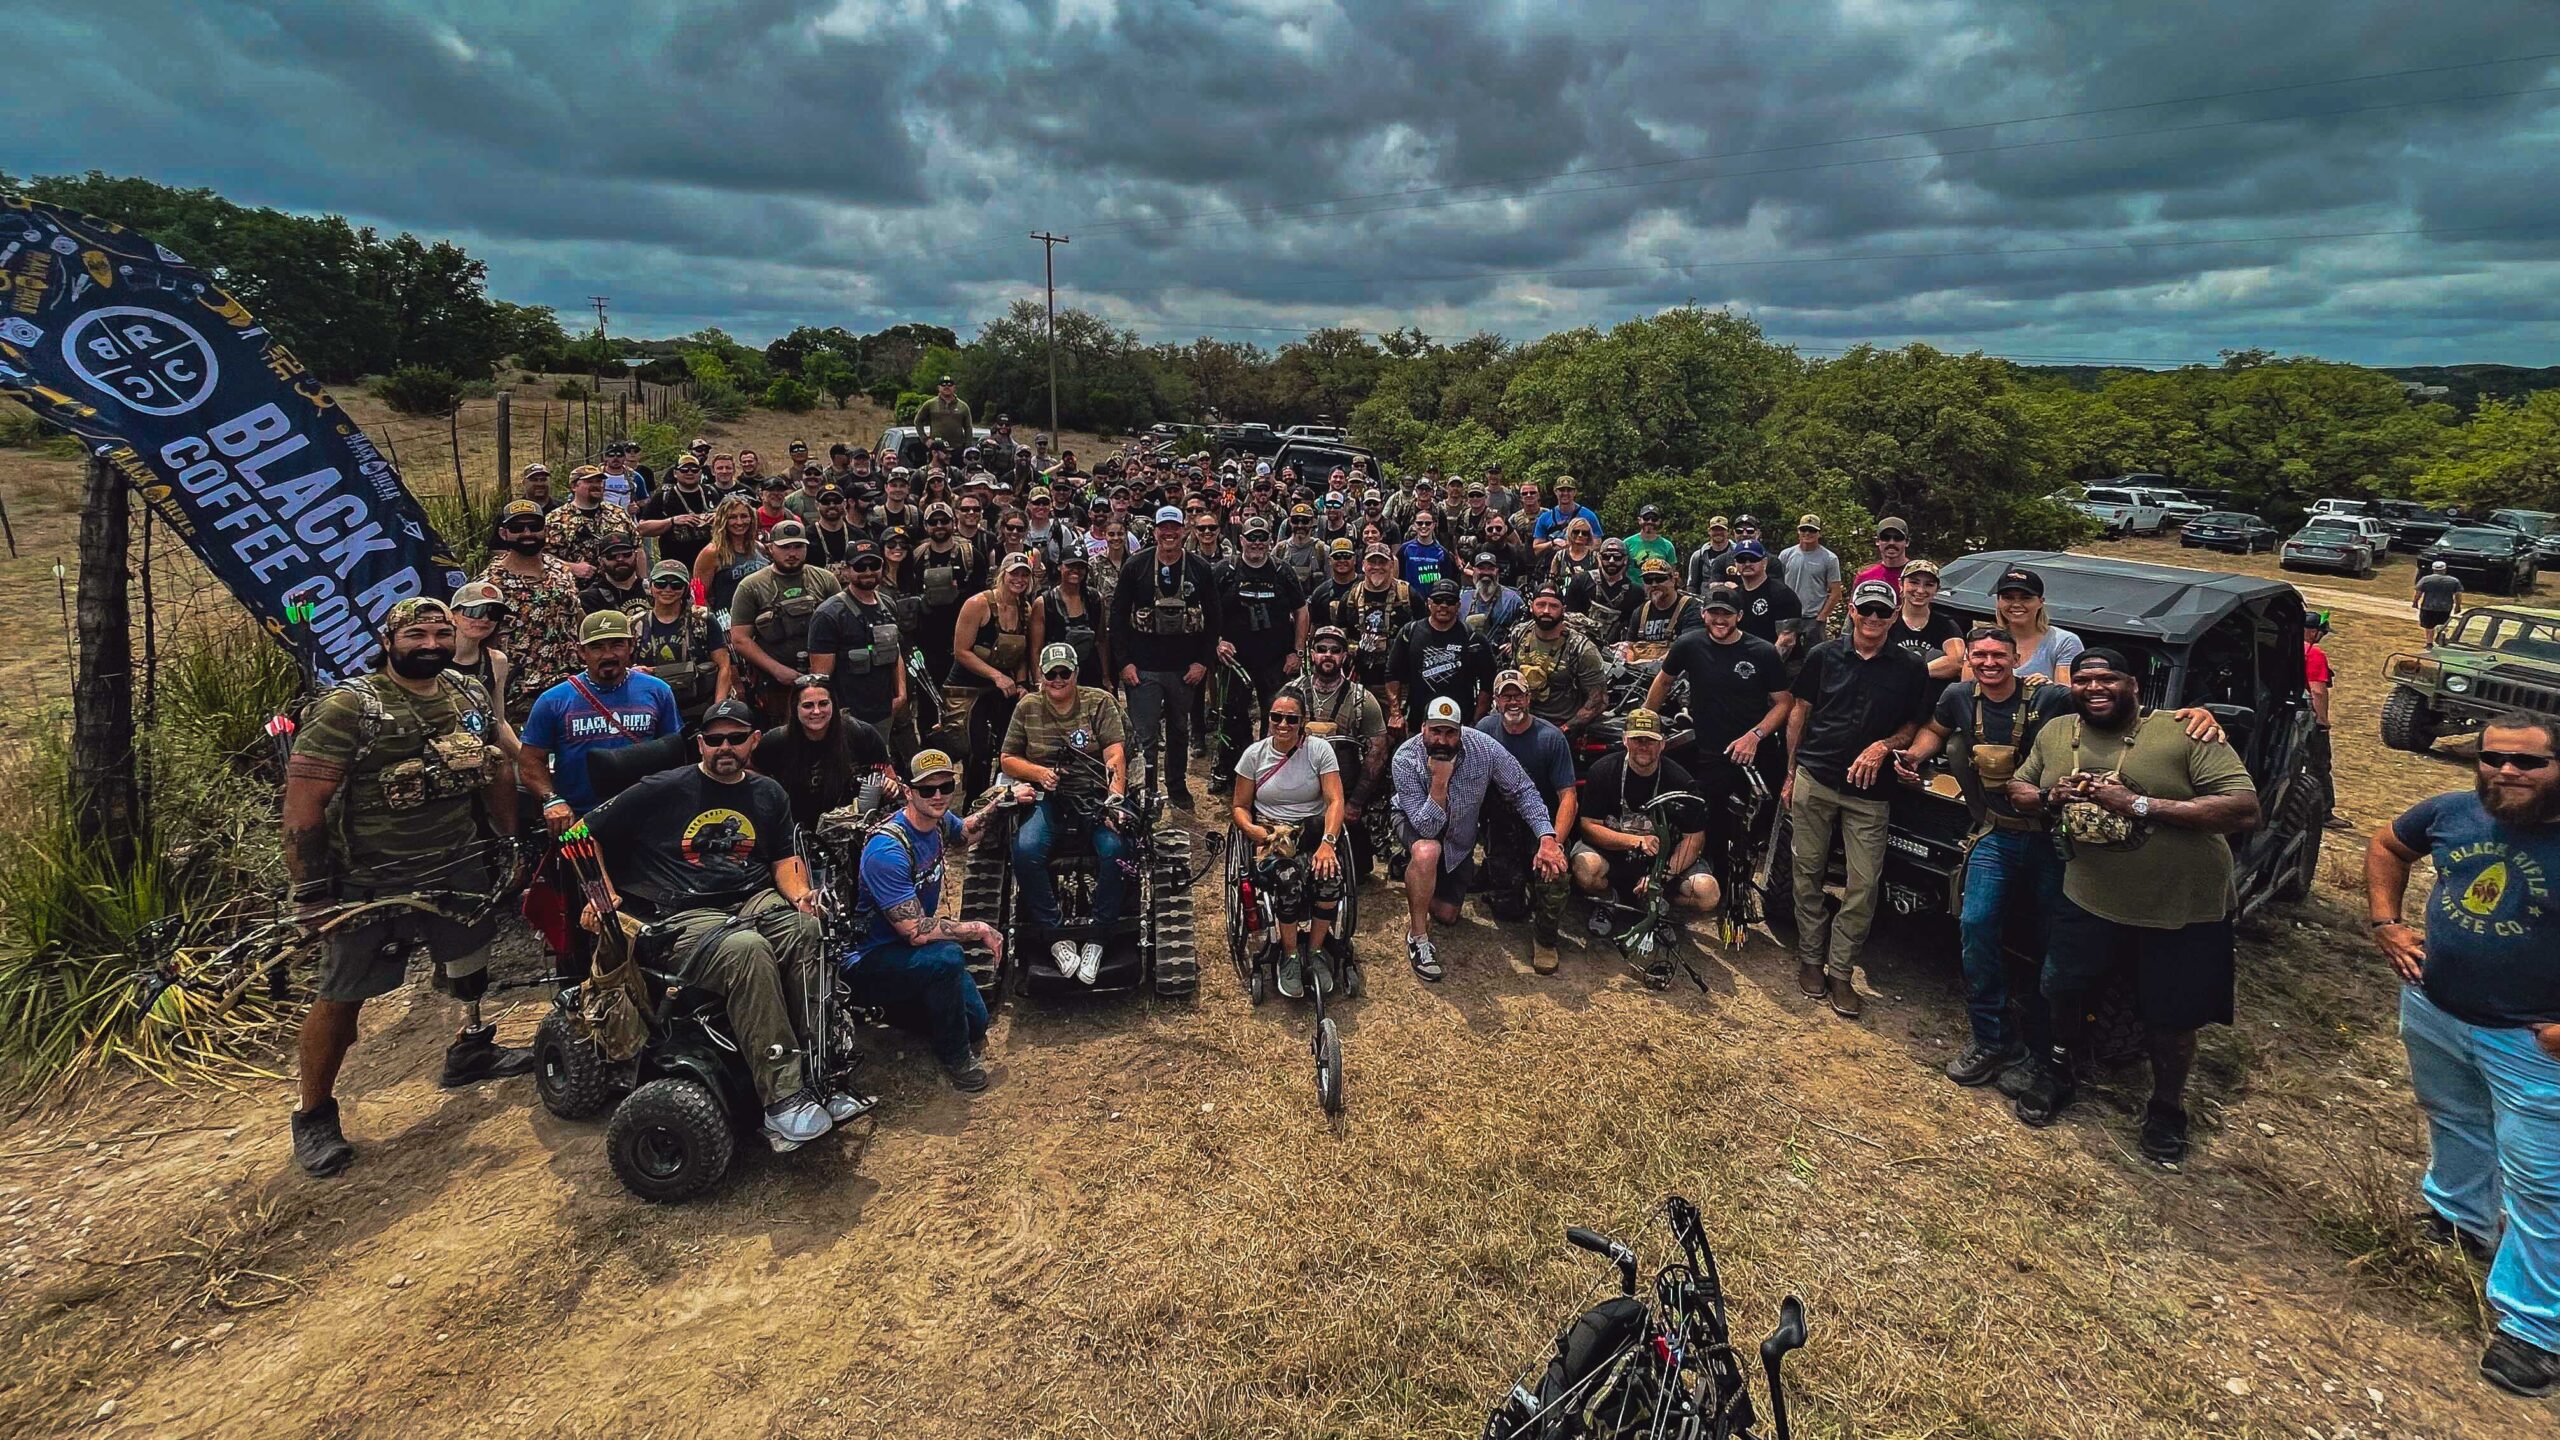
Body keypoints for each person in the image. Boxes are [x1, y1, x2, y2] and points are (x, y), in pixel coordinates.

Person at [283, 599, 525, 1178]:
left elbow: (493, 769)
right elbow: (302, 805)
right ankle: (314, 1113)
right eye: (416, 633)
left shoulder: (465, 695)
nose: (431, 643)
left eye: (443, 632)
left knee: (470, 966)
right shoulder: (350, 706)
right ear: (389, 640)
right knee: (343, 995)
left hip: (456, 864)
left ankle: (471, 1049)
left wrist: (507, 842)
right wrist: (311, 892)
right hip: (371, 879)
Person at [2367, 713, 2560, 1398]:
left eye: (2528, 763)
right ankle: (2459, 1219)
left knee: (2543, 1181)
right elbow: (2388, 845)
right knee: (2452, 1117)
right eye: (2494, 758)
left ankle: (2535, 1329)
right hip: (2437, 1008)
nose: (2507, 771)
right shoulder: (2450, 813)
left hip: (2533, 1043)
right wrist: (2388, 924)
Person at [2005, 648, 2261, 1161]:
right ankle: (2059, 1071)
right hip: (2087, 895)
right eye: (2083, 680)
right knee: (2063, 990)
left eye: (2108, 679)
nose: (2095, 688)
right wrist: (2048, 797)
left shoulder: (2184, 731)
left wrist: (2140, 804)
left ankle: (2167, 1107)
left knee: (2171, 1017)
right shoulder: (2059, 733)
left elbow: (2243, 807)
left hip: (2179, 907)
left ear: (2135, 685)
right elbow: (2019, 785)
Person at [578, 699, 857, 1149]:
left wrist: (801, 895)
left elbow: (785, 860)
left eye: (735, 738)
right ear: (700, 744)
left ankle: (823, 1075)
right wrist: (600, 894)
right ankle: (782, 1098)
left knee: (808, 932)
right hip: (682, 911)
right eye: (713, 739)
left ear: (753, 741)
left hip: (753, 897)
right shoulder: (661, 788)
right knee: (747, 949)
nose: (724, 747)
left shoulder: (769, 794)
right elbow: (581, 833)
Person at [1784, 578, 1931, 1019]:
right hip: (1817, 776)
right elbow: (1799, 713)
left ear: (1894, 614)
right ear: (1850, 609)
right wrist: (1791, 773)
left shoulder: (1910, 666)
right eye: (1865, 609)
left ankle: (1842, 970)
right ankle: (1811, 957)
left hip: (1871, 792)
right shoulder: (1823, 655)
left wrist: (1884, 746)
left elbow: (1912, 726)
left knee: (1863, 884)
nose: (1872, 618)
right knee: (1806, 870)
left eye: (1882, 612)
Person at [848, 748, 1007, 1092]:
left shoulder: (936, 822)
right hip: (872, 958)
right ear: (908, 792)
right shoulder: (886, 851)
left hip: (906, 953)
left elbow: (965, 833)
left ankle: (896, 1009)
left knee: (976, 1023)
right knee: (947, 957)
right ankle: (956, 1058)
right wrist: (977, 929)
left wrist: (1005, 799)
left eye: (945, 787)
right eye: (926, 790)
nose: (937, 796)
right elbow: (916, 931)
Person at [1391, 696, 1566, 981]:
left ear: (1462, 731)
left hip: (1460, 840)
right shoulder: (1404, 758)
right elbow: (1426, 827)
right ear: (1422, 728)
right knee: (1426, 851)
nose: (1443, 741)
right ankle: (1418, 937)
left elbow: (1522, 789)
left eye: (1451, 733)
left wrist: (1547, 836)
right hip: (1418, 824)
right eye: (1436, 731)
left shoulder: (1484, 748)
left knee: (1448, 915)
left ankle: (1419, 883)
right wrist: (1439, 782)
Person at [997, 644, 1131, 984]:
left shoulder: (1099, 702)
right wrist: (1038, 773)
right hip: (1046, 797)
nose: (1057, 680)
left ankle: (1099, 937)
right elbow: (1007, 757)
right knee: (1025, 851)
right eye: (1050, 674)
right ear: (1042, 676)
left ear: (1075, 674)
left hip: (1092, 794)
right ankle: (1056, 937)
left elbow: (1115, 754)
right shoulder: (1028, 706)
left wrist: (1115, 798)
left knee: (1115, 850)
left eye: (1063, 673)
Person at [1647, 585, 1791, 888]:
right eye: (1713, 613)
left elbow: (1784, 703)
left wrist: (1755, 736)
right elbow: (1663, 681)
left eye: (1726, 614)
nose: (1719, 620)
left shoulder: (1763, 652)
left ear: (1739, 616)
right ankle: (1712, 878)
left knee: (1755, 827)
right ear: (1703, 614)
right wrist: (1645, 721)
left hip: (1755, 753)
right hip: (1710, 750)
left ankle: (1748, 880)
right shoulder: (1689, 645)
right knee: (1710, 818)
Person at [1232, 688, 1348, 999]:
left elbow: (1335, 800)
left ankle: (1315, 950)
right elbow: (1240, 806)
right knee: (1288, 880)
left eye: (1291, 719)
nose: (1283, 724)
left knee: (1329, 879)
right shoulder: (1253, 755)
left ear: (1303, 722)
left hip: (1311, 831)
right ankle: (1290, 955)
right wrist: (1251, 829)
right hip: (1272, 837)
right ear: (1268, 719)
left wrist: (1328, 842)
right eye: (1276, 717)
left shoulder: (1320, 750)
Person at [1572, 708, 1719, 943]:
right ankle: (1610, 899)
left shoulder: (1681, 780)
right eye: (1637, 739)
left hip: (1662, 862)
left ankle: (1656, 903)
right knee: (1584, 869)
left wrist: (1662, 876)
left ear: (1662, 744)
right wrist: (1635, 840)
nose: (1643, 746)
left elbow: (1694, 838)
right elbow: (1588, 826)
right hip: (1614, 856)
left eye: (1651, 740)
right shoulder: (1603, 771)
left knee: (1707, 894)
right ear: (1625, 740)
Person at [1112, 505, 1223, 807]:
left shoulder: (1199, 568)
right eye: (1164, 528)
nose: (1169, 533)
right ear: (1156, 531)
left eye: (1175, 527)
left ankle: (1176, 786)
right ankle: (1146, 791)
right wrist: (1124, 663)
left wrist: (1203, 662)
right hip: (1144, 667)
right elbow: (1118, 618)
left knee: (1178, 731)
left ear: (1184, 530)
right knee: (1145, 736)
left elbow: (1214, 619)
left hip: (1184, 670)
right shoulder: (1136, 566)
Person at [1476, 669, 1577, 973]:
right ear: (1495, 700)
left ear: (1529, 698)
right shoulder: (1484, 729)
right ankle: (1507, 883)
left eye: (1518, 694)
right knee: (1509, 909)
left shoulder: (1551, 738)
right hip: (1501, 825)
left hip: (1541, 824)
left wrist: (1554, 843)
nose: (1512, 702)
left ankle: (1546, 941)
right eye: (1505, 695)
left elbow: (1568, 797)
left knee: (1553, 871)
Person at [1283, 626, 1392, 881]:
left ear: (1345, 656)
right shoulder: (1291, 694)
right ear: (1311, 654)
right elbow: (1270, 744)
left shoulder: (1362, 700)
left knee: (1358, 872)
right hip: (1297, 791)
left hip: (1342, 792)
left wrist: (1355, 804)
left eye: (1335, 650)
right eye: (1321, 649)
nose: (1327, 655)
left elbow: (1378, 753)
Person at [1211, 519, 1309, 788]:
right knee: (1232, 717)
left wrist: (1297, 652)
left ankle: (1275, 772)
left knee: (1278, 717)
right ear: (1241, 539)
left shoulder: (1283, 571)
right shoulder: (1224, 571)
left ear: (1270, 540)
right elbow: (1207, 612)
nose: (1256, 543)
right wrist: (1217, 642)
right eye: (1251, 537)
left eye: (1262, 537)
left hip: (1276, 660)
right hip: (1235, 661)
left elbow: (1301, 611)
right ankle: (1229, 770)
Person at [946, 553, 1043, 801]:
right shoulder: (977, 604)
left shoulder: (1025, 609)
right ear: (1002, 574)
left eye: (1024, 575)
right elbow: (961, 651)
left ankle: (1003, 799)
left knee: (1008, 749)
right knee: (978, 752)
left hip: (1002, 691)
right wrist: (997, 676)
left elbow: (1021, 651)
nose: (1019, 580)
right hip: (968, 689)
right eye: (1014, 574)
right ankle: (973, 804)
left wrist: (1021, 683)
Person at [480, 499, 587, 721]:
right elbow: (480, 639)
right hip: (521, 695)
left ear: (545, 530)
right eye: (518, 528)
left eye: (534, 527)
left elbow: (577, 615)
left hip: (572, 684)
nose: (527, 533)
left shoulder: (561, 571)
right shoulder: (489, 584)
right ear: (504, 533)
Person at [729, 520, 843, 724]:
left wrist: (822, 674)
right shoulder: (751, 586)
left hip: (824, 680)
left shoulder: (825, 580)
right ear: (771, 548)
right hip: (774, 684)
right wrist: (778, 671)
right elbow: (739, 639)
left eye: (798, 546)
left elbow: (842, 628)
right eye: (785, 547)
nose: (792, 553)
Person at [757, 677, 897, 832]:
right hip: (797, 831)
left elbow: (891, 778)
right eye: (808, 705)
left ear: (833, 704)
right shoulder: (776, 741)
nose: (816, 711)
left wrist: (889, 787)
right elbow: (752, 773)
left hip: (853, 829)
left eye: (823, 703)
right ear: (795, 708)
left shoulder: (861, 733)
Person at [806, 540, 907, 735]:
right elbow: (820, 678)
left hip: (884, 711)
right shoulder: (829, 614)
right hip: (846, 716)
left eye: (874, 565)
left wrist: (901, 693)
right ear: (846, 570)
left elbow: (896, 652)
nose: (868, 571)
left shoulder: (887, 604)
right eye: (860, 566)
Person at [1387, 579, 1497, 735]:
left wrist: (1476, 722)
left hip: (1461, 726)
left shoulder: (1473, 638)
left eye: (1450, 601)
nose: (1443, 605)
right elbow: (1392, 673)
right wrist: (1396, 714)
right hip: (1418, 724)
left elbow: (1488, 682)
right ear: (1429, 603)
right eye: (1438, 600)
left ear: (1458, 605)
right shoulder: (1409, 632)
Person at [629, 559, 730, 725]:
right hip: (652, 709)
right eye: (661, 584)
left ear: (685, 589)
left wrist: (717, 709)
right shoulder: (635, 624)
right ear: (651, 587)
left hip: (700, 706)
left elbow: (724, 666)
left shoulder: (703, 619)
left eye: (676, 585)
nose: (667, 589)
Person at [1505, 585, 1609, 743]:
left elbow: (1598, 701)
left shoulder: (1582, 649)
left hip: (1561, 723)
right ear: (1532, 607)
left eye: (1554, 606)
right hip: (1521, 718)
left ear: (1563, 610)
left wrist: (1565, 730)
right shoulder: (1519, 634)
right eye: (1541, 604)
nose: (1546, 611)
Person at [903, 501, 984, 685]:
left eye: (944, 521)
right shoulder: (916, 557)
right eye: (933, 522)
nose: (939, 526)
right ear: (925, 526)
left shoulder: (971, 555)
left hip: (963, 638)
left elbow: (983, 595)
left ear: (953, 522)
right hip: (927, 639)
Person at [1985, 565, 2083, 683]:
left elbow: (2067, 693)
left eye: (2025, 598)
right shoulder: (1983, 640)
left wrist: (2048, 687)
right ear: (1998, 601)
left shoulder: (2064, 641)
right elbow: (1967, 692)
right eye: (2008, 598)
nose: (2016, 604)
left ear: (2041, 602)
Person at [1888, 558, 1966, 703]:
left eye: (1928, 585)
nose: (1920, 590)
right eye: (1914, 582)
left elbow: (1956, 662)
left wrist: (1911, 673)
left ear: (1937, 590)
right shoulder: (1886, 619)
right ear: (1901, 584)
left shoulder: (1946, 624)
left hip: (1930, 702)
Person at [545, 466, 636, 584]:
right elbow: (542, 557)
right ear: (574, 486)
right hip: (577, 589)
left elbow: (637, 547)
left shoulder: (617, 513)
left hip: (619, 588)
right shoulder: (556, 519)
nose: (596, 485)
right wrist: (571, 568)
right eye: (589, 482)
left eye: (599, 481)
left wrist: (641, 582)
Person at [635, 452, 717, 574]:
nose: (689, 473)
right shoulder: (663, 497)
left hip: (710, 564)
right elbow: (641, 529)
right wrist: (672, 521)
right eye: (684, 469)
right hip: (674, 565)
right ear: (675, 473)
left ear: (700, 473)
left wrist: (719, 517)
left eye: (694, 469)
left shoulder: (712, 492)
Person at [2305, 610, 2348, 831]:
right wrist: (2322, 720)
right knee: (2319, 765)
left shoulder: (2283, 645)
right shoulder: (2314, 654)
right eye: (2322, 633)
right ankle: (2324, 813)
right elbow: (2317, 691)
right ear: (2313, 632)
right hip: (2307, 718)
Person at [1614, 557, 1702, 661]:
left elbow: (1690, 646)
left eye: (1660, 579)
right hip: (1640, 672)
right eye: (1648, 580)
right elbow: (1630, 644)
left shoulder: (1690, 607)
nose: (1654, 584)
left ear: (1673, 580)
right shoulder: (1640, 612)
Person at [1725, 541, 1804, 657]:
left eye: (1753, 559)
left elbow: (1787, 640)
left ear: (1764, 562)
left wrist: (1767, 667)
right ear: (1735, 564)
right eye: (1741, 559)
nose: (1747, 563)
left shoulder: (1782, 593)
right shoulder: (1735, 596)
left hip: (1783, 666)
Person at [1043, 551, 1110, 688]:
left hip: (1091, 671)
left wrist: (1106, 677)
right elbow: (1037, 648)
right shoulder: (1045, 601)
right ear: (1060, 567)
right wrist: (1039, 680)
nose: (1076, 571)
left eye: (1080, 567)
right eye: (1070, 566)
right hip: (1057, 673)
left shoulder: (1096, 599)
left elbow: (1101, 640)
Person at [446, 579, 515, 708]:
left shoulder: (497, 661)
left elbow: (499, 720)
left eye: (494, 614)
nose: (485, 619)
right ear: (453, 615)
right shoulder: (432, 655)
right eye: (475, 611)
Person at [1531, 477, 1602, 562]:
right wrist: (1553, 543)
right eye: (1561, 490)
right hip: (1551, 564)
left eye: (1569, 490)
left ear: (1575, 492)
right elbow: (1536, 549)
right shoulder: (1545, 518)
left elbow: (1597, 545)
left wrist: (1573, 547)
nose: (1565, 493)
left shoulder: (1588, 516)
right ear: (1555, 491)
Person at [579, 530, 649, 614]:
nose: (620, 559)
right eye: (611, 556)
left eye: (626, 554)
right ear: (601, 561)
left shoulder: (654, 590)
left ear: (635, 555)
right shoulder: (590, 598)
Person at [915, 375, 974, 452]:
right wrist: (925, 440)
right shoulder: (930, 404)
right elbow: (917, 421)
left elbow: (968, 427)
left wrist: (968, 447)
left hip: (957, 449)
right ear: (938, 387)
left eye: (950, 385)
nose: (947, 387)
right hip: (936, 449)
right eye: (943, 385)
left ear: (954, 388)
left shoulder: (963, 406)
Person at [1855, 516, 1911, 590]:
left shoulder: (1918, 576)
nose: (1891, 543)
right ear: (1877, 541)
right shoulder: (1865, 577)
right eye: (1885, 537)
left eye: (1898, 538)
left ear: (1907, 542)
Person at [1684, 515, 1736, 595]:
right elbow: (1692, 584)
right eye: (1714, 530)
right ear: (1709, 531)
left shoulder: (1737, 555)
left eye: (1722, 530)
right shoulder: (1698, 556)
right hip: (1704, 602)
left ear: (1728, 531)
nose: (1718, 533)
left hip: (1732, 601)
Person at [1625, 505, 1679, 576]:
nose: (1650, 521)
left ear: (1659, 522)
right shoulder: (1627, 543)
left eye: (1654, 519)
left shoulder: (1668, 546)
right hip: (1632, 586)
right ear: (1639, 520)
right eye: (1646, 518)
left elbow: (1671, 573)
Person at [2416, 559, 2464, 632]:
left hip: (2428, 607)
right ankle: (2440, 639)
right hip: (2445, 608)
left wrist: (2415, 602)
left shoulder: (2425, 579)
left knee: (2429, 626)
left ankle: (2429, 642)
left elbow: (2418, 593)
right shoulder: (2454, 581)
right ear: (2445, 569)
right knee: (2442, 625)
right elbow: (2458, 595)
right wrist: (2457, 607)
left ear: (2433, 569)